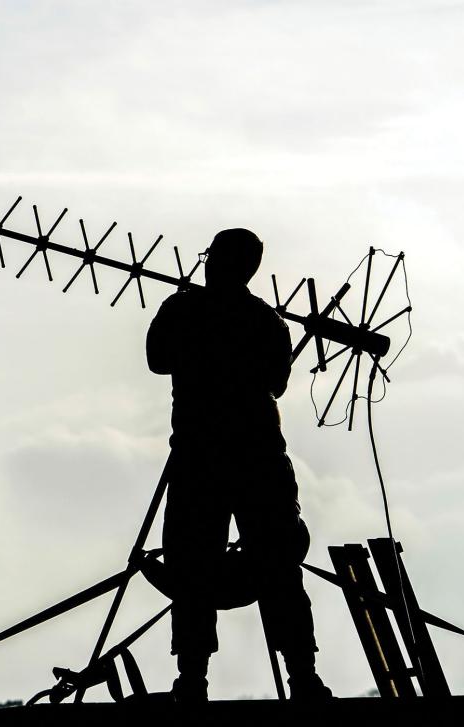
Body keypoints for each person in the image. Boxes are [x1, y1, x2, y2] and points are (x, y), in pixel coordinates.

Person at [145, 228, 331, 702]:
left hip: (207, 460)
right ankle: (301, 679)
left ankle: (193, 682)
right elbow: (277, 382)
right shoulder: (266, 323)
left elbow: (157, 359)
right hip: (253, 460)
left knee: (197, 568)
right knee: (270, 569)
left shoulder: (185, 309)